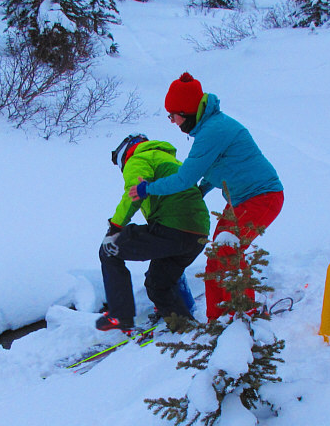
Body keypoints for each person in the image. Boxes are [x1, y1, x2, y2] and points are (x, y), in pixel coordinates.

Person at [130, 73, 284, 320]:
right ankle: (217, 320)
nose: (172, 121)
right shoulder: (210, 129)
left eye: (173, 115)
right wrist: (200, 192)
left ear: (187, 112)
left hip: (262, 196)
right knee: (217, 258)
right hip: (241, 200)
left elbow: (184, 178)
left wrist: (147, 188)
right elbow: (216, 170)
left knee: (228, 253)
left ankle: (245, 314)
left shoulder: (213, 131)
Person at [97, 134, 210, 332]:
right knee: (158, 283)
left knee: (109, 249)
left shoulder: (139, 158)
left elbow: (134, 192)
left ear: (125, 154)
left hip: (173, 227)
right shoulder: (171, 159)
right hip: (197, 234)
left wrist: (115, 227)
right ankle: (187, 330)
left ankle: (120, 314)